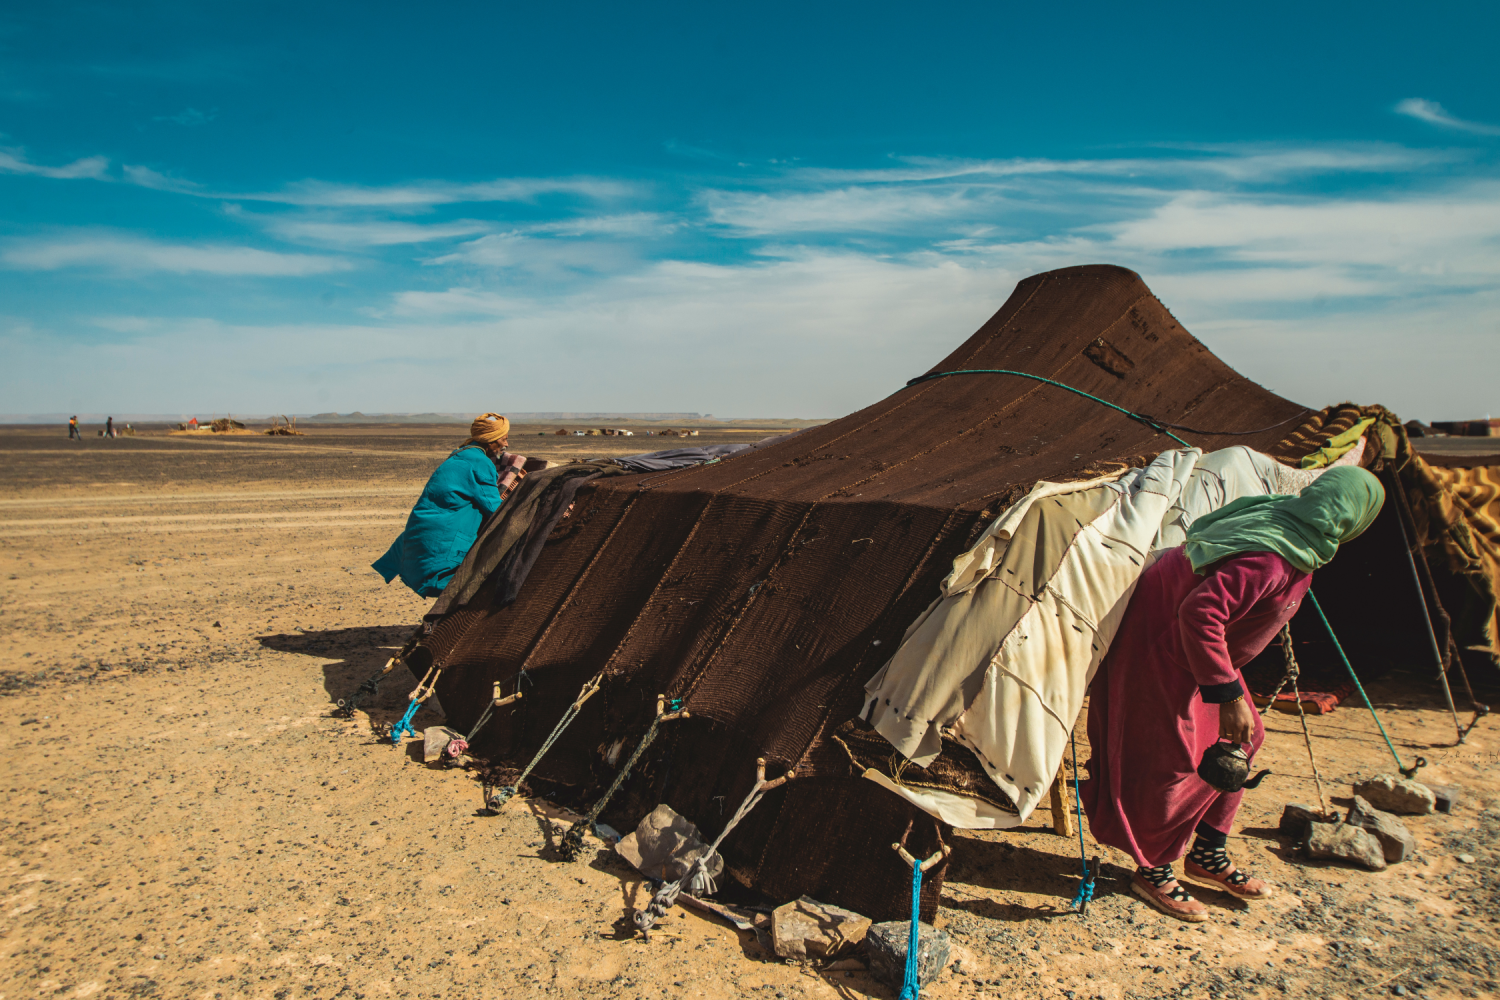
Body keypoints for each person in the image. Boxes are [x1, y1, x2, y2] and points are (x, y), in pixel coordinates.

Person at [1081, 466, 1385, 921]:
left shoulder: (1296, 533)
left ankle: (1207, 851)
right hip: (1161, 642)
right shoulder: (1271, 556)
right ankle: (1152, 867)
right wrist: (1227, 696)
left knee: (1243, 740)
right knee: (1173, 759)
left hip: (1199, 651)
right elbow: (1201, 613)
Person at [373, 413, 522, 598]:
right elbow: (495, 509)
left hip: (422, 531)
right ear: (490, 440)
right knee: (467, 586)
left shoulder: (460, 453)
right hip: (442, 538)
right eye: (503, 439)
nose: (506, 444)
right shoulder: (479, 463)